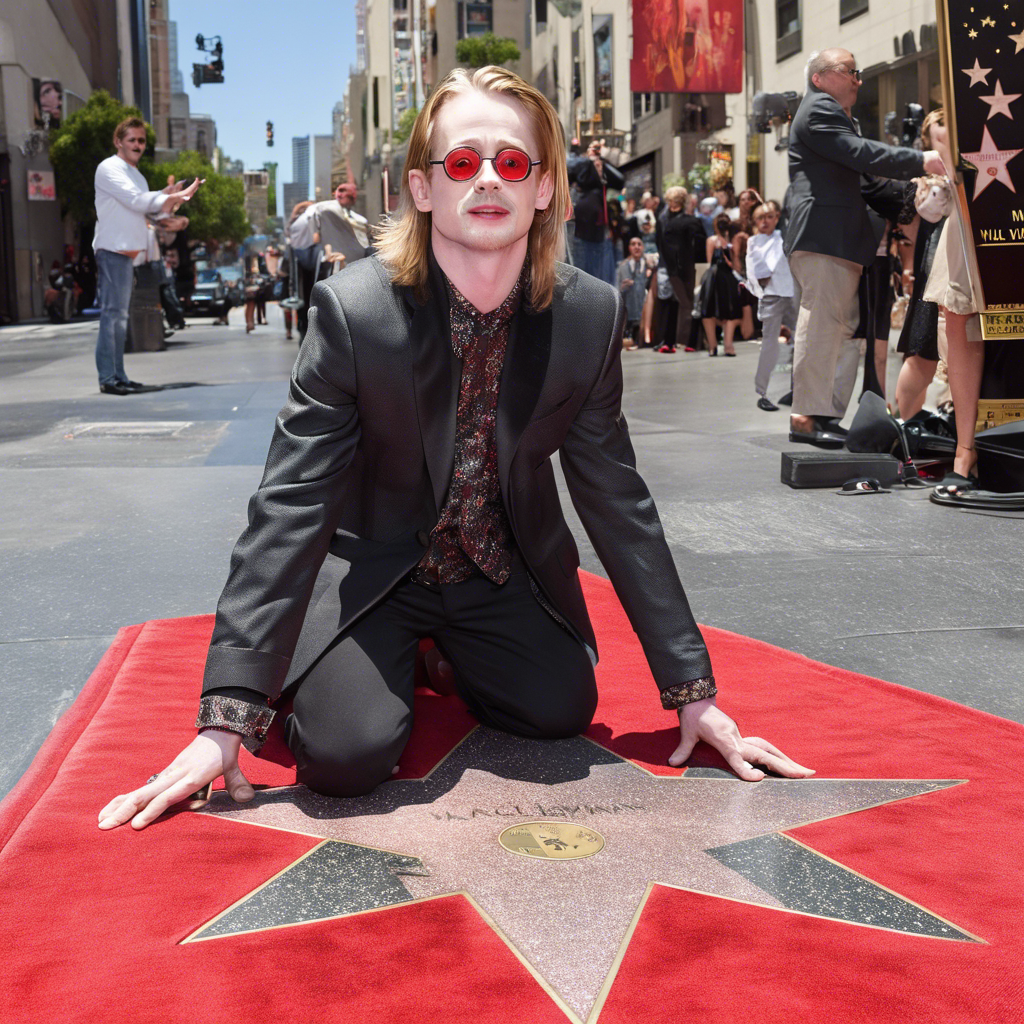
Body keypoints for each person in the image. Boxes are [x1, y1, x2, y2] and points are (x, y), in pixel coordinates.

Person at [98, 65, 812, 833]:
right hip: (376, 569)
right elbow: (291, 502)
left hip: (498, 569)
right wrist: (226, 718)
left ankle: (440, 658)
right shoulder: (354, 312)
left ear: (543, 188)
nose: (487, 181)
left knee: (559, 709)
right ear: (422, 187)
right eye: (461, 163)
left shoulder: (589, 315)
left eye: (511, 162)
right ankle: (374, 660)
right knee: (346, 759)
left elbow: (616, 497)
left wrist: (691, 690)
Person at [784, 48, 944, 446]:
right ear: (819, 77)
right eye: (849, 71)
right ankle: (807, 416)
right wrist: (920, 159)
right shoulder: (819, 108)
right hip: (824, 235)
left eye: (858, 72)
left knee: (838, 328)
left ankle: (824, 414)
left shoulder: (834, 112)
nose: (858, 79)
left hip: (836, 237)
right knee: (822, 325)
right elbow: (861, 155)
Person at [92, 117, 201, 395]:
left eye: (141, 141)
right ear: (118, 142)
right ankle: (109, 378)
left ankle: (118, 375)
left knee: (120, 317)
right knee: (113, 315)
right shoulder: (109, 168)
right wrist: (170, 197)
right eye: (132, 140)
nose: (138, 145)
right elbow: (137, 201)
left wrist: (170, 198)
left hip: (128, 254)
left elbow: (150, 211)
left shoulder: (136, 175)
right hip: (112, 250)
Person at [894, 109, 947, 420]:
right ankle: (905, 424)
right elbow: (909, 232)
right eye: (940, 126)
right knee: (922, 353)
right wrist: (909, 268)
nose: (947, 130)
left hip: (961, 273)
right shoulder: (922, 183)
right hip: (932, 276)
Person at [746, 203, 797, 411]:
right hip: (771, 298)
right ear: (755, 221)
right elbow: (759, 273)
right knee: (769, 345)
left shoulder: (783, 235)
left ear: (776, 217)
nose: (765, 221)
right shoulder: (753, 242)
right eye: (760, 218)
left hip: (792, 295)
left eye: (769, 216)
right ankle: (762, 392)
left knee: (801, 342)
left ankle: (796, 389)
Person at [655, 185, 706, 353]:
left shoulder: (689, 220)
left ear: (682, 202)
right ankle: (670, 341)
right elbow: (660, 242)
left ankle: (688, 341)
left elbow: (699, 242)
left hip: (685, 265)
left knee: (687, 302)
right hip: (668, 265)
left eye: (676, 201)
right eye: (671, 200)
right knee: (672, 303)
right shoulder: (663, 218)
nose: (673, 204)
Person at [573, 139, 624, 284]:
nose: (599, 168)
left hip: (604, 239)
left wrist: (602, 161)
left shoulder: (604, 187)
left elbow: (619, 179)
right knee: (587, 279)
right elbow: (574, 171)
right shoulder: (582, 182)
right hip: (583, 241)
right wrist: (589, 160)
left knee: (604, 280)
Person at [697, 213, 742, 356]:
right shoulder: (724, 241)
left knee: (718, 312)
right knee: (717, 311)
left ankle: (716, 345)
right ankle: (724, 345)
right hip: (721, 278)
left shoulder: (723, 241)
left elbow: (711, 262)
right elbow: (736, 266)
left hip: (717, 277)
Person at [311, 181, 370, 273]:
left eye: (344, 192)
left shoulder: (360, 220)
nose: (340, 194)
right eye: (339, 191)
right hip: (338, 266)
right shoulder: (326, 210)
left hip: (360, 267)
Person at [616, 236, 650, 349]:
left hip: (644, 313)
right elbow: (615, 289)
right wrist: (622, 287)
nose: (637, 247)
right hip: (628, 312)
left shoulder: (648, 265)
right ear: (629, 248)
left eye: (639, 244)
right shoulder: (622, 267)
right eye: (633, 244)